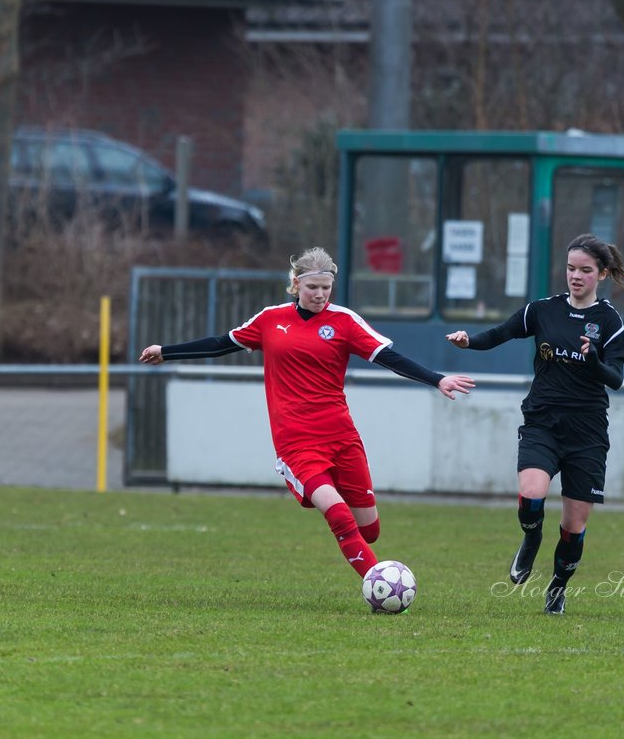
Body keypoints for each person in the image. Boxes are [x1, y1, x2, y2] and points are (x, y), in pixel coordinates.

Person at [138, 246, 475, 588]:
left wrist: (438, 379)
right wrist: (167, 352)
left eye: (326, 288)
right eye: (312, 287)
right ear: (296, 284)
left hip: (342, 436)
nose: (320, 295)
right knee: (338, 514)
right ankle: (380, 586)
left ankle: (371, 563)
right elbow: (220, 343)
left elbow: (389, 358)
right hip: (296, 441)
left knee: (369, 529)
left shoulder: (344, 321)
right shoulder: (270, 319)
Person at [446, 233, 624, 616]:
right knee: (531, 495)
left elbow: (615, 378)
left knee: (573, 526)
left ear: (600, 274)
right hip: (543, 422)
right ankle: (531, 540)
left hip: (587, 433)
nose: (575, 276)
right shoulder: (543, 310)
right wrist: (470, 342)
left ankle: (557, 588)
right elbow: (501, 333)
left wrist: (595, 360)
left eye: (585, 270)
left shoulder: (609, 320)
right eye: (570, 269)